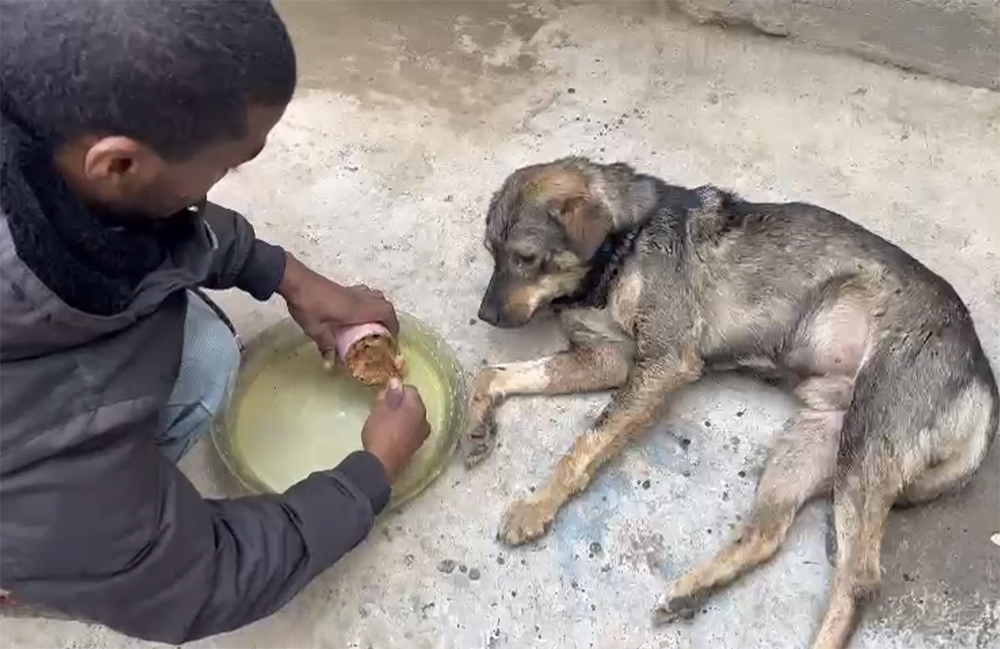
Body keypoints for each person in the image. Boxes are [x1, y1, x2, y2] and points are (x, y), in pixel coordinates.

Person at [0, 0, 432, 642]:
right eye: (228, 164)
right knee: (194, 384)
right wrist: (370, 471)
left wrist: (284, 274)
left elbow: (151, 217)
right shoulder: (58, 417)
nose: (222, 182)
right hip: (38, 477)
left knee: (199, 347)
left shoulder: (42, 133)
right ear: (117, 163)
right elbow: (202, 583)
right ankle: (49, 569)